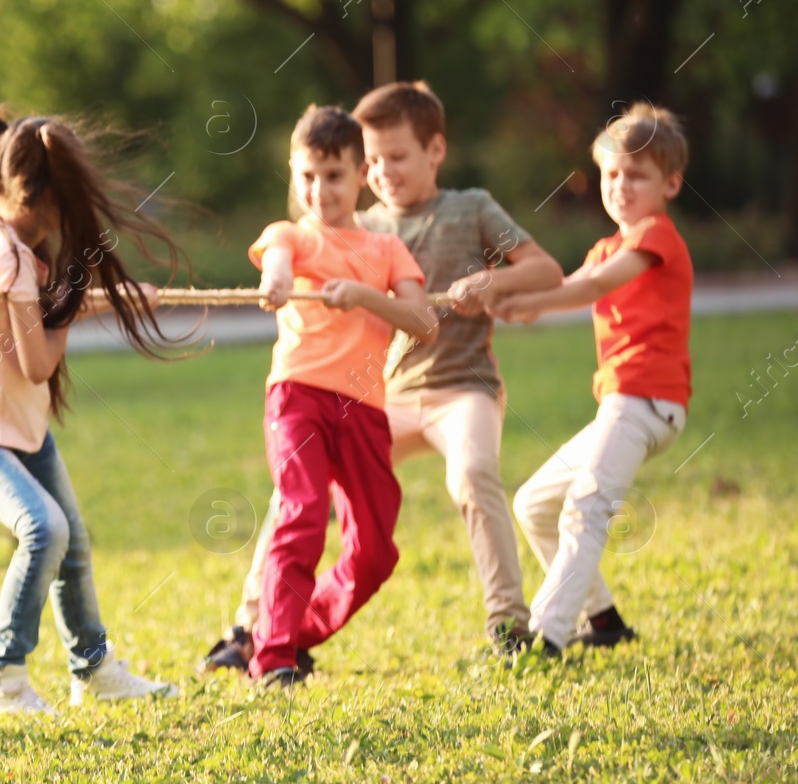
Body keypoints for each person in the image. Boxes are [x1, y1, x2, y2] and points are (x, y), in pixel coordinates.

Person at [203, 82, 564, 671]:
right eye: (371, 161)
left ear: (435, 152)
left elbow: (543, 270)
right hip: (378, 396)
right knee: (297, 499)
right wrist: (278, 271)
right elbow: (290, 242)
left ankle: (507, 621)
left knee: (470, 474)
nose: (382, 171)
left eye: (396, 158)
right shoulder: (357, 224)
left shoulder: (469, 208)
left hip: (459, 388)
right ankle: (252, 629)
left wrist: (491, 283)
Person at [0, 107, 181, 718]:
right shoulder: (9, 260)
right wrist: (77, 306)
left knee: (74, 544)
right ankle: (3, 679)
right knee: (46, 531)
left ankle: (93, 669)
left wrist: (101, 301)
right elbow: (38, 361)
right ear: (48, 198)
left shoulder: (9, 243)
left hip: (18, 430)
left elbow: (35, 323)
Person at [245, 105, 437, 689]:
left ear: (361, 174)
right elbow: (277, 264)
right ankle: (273, 656)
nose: (318, 189)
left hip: (363, 408)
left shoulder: (386, 251)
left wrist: (363, 296)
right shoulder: (291, 237)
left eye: (333, 175)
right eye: (306, 175)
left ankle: (292, 633)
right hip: (297, 395)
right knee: (302, 512)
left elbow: (422, 321)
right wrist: (276, 282)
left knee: (376, 551)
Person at [493, 102, 694, 654]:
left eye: (638, 175)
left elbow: (586, 289)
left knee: (584, 506)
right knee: (535, 503)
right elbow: (558, 293)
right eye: (612, 174)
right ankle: (602, 621)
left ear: (670, 183)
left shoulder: (657, 238)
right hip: (620, 407)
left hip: (646, 403)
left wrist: (510, 293)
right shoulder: (607, 246)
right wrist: (505, 300)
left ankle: (545, 638)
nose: (621, 186)